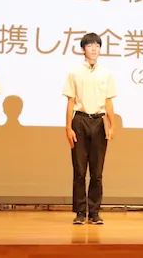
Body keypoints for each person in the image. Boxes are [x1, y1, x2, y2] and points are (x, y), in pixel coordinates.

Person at [63, 32, 117, 225]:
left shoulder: (106, 74)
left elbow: (108, 102)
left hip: (99, 122)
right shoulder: (75, 73)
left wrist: (112, 125)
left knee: (97, 171)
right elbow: (70, 101)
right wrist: (68, 127)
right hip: (80, 120)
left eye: (97, 46)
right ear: (83, 49)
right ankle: (80, 212)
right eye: (90, 46)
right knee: (79, 170)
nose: (94, 49)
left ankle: (94, 212)